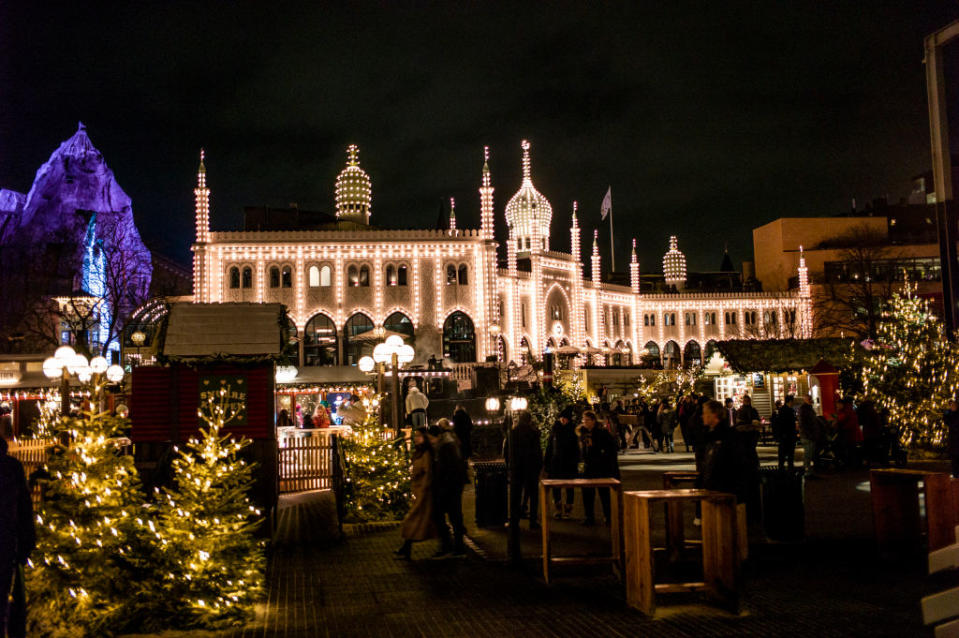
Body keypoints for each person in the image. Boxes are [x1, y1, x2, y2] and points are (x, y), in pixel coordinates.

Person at [0, 437, 35, 638]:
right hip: (5, 545)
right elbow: (24, 509)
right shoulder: (12, 468)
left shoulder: (12, 469)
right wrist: (26, 543)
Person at [396, 427, 436, 559]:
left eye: (419, 436)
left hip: (422, 493)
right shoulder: (419, 452)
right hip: (418, 491)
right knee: (415, 521)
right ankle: (406, 547)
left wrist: (423, 489)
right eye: (416, 436)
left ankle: (406, 547)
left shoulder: (426, 454)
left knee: (413, 520)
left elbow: (427, 473)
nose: (416, 438)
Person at [428, 424, 467, 558]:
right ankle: (453, 545)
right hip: (450, 487)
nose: (431, 441)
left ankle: (453, 546)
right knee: (453, 517)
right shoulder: (446, 445)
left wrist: (443, 487)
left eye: (431, 438)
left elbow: (450, 469)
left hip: (449, 488)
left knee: (450, 517)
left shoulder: (446, 447)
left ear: (438, 436)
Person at [698, 399, 748, 503]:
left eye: (705, 413)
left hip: (723, 492)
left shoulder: (726, 436)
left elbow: (733, 463)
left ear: (714, 415)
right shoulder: (709, 435)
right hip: (713, 491)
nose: (702, 416)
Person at [504, 411, 543, 530]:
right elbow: (538, 452)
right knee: (533, 495)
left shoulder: (513, 433)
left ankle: (514, 521)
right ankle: (533, 521)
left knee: (515, 495)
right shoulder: (534, 433)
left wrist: (509, 465)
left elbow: (507, 451)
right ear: (529, 420)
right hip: (531, 468)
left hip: (517, 468)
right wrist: (539, 467)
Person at [580, 410, 620, 526]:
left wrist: (603, 458)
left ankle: (608, 516)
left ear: (593, 421)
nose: (584, 422)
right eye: (584, 420)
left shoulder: (602, 433)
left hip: (601, 468)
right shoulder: (584, 434)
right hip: (589, 468)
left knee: (604, 493)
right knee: (587, 493)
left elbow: (611, 450)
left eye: (587, 420)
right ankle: (589, 516)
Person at [545, 406, 579, 518]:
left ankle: (568, 509)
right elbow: (549, 447)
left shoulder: (573, 430)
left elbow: (576, 448)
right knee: (556, 487)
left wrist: (576, 461)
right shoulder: (555, 429)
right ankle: (558, 508)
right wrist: (547, 462)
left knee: (569, 487)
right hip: (556, 463)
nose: (563, 420)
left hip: (569, 463)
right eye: (562, 418)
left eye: (565, 419)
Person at [834, 398, 862, 468]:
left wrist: (842, 427)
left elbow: (848, 422)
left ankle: (852, 464)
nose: (837, 406)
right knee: (851, 449)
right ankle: (852, 464)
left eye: (838, 404)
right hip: (850, 434)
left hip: (850, 434)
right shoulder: (846, 410)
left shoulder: (846, 411)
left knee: (851, 449)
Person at [798, 394, 820, 477]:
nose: (810, 400)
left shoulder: (806, 409)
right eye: (809, 399)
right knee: (808, 454)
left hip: (809, 435)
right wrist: (809, 434)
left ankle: (808, 470)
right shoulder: (805, 409)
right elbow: (803, 424)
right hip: (808, 435)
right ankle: (807, 471)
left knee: (809, 454)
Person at [774, 396, 798, 471]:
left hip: (786, 436)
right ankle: (787, 469)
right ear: (790, 401)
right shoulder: (787, 410)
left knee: (785, 454)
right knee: (787, 454)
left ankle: (784, 469)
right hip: (787, 436)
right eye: (792, 401)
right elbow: (784, 424)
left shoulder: (783, 410)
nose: (793, 403)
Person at [946, 400, 959, 478]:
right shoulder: (950, 414)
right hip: (954, 443)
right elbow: (947, 420)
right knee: (955, 461)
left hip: (956, 442)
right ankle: (956, 475)